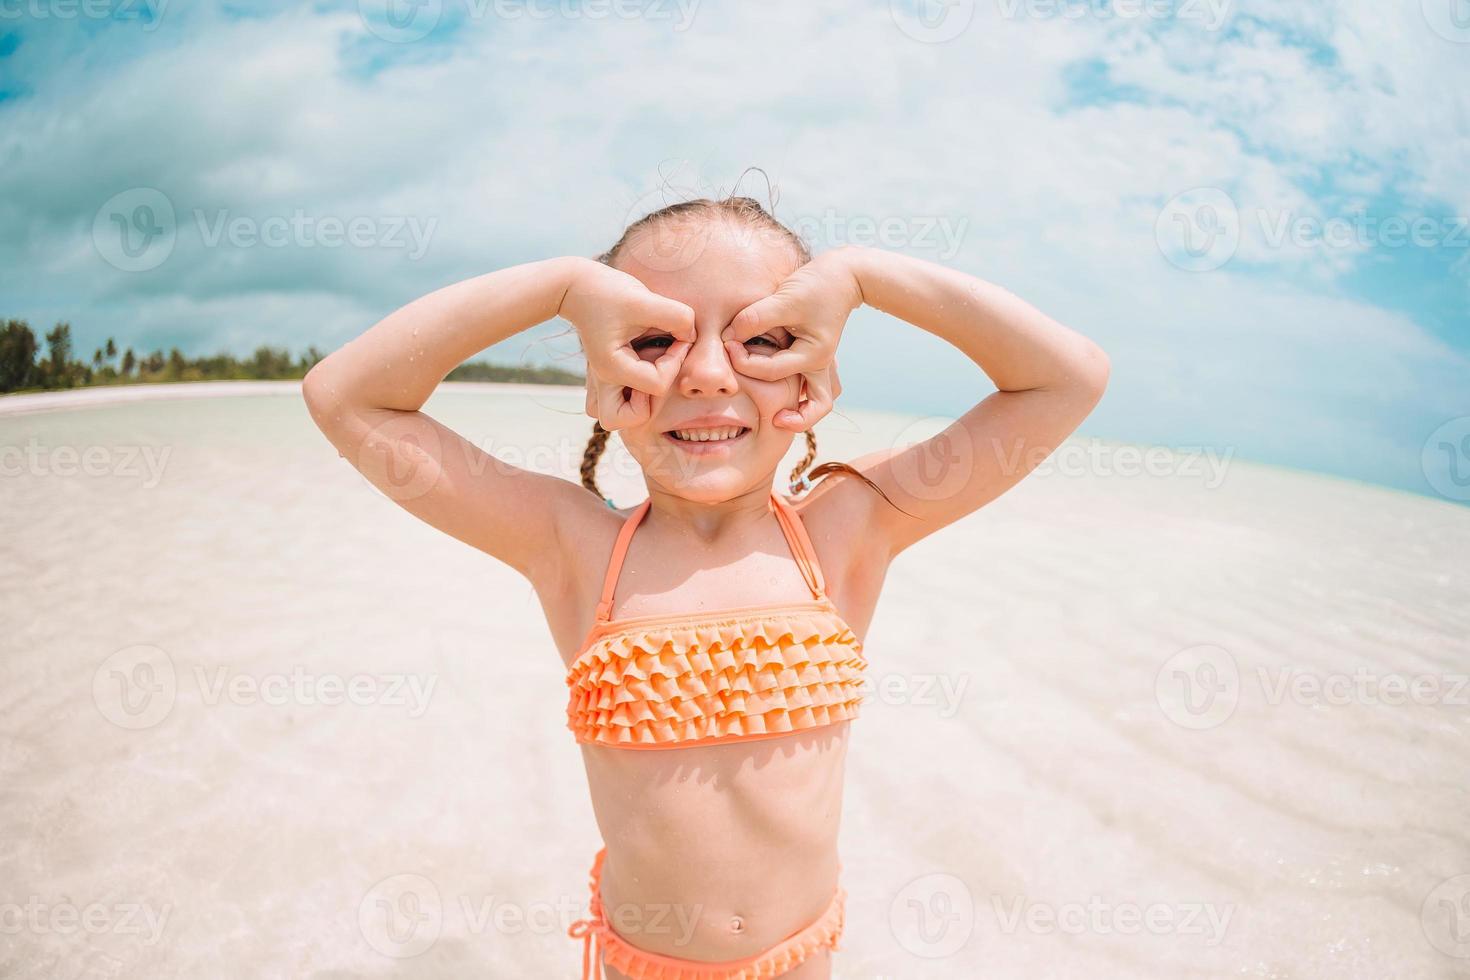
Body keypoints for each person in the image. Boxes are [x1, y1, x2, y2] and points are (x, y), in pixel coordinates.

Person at [302, 192, 1110, 979]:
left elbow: (1065, 379)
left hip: (801, 961)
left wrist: (863, 278)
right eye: (655, 338)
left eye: (765, 338)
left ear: (812, 373)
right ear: (601, 368)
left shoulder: (848, 528)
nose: (709, 372)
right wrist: (560, 286)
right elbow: (346, 396)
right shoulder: (572, 545)